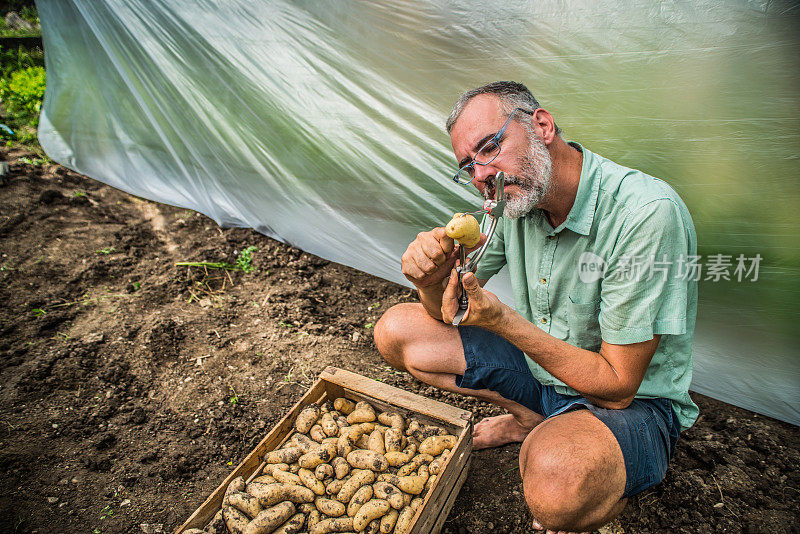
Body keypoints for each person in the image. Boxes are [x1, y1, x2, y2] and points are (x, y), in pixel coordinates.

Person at [374, 81, 698, 533]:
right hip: (545, 371)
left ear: (541, 125)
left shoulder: (644, 215)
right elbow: (449, 311)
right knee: (397, 329)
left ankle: (592, 472)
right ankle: (532, 420)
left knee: (556, 486)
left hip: (630, 405)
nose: (481, 174)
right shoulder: (512, 201)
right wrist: (430, 283)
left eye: (490, 147)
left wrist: (503, 321)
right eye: (468, 166)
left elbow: (619, 385)